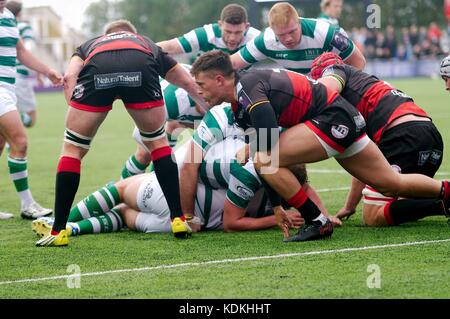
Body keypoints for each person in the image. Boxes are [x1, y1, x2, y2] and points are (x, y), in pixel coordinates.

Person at [190, 50, 450, 243]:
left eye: (201, 85)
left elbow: (266, 136)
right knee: (391, 183)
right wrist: (278, 207)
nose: (198, 92)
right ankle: (446, 192)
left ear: (220, 79)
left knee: (262, 157)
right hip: (345, 118)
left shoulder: (247, 86)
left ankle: (318, 221)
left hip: (331, 119)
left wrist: (251, 148)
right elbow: (265, 157)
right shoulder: (239, 107)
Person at [36, 20, 208, 247]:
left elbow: (69, 78)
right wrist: (210, 110)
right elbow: (185, 81)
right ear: (132, 34)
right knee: (158, 144)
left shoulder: (90, 44)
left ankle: (58, 231)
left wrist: (77, 106)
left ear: (105, 35)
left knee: (73, 150)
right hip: (141, 68)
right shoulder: (145, 43)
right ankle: (177, 218)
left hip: (99, 69)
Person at [32, 137, 305, 238]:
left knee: (121, 188)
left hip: (180, 208)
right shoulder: (283, 194)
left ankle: (58, 221)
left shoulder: (252, 167)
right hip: (194, 225)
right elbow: (302, 183)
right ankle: (73, 228)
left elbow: (231, 223)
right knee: (125, 216)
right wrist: (318, 215)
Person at [310, 52, 447, 227]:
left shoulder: (336, 72)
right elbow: (368, 164)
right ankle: (441, 199)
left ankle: (444, 203)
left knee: (372, 216)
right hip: (430, 135)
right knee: (404, 201)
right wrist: (350, 206)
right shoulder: (368, 84)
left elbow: (324, 90)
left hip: (402, 136)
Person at [0, 0, 62, 220]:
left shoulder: (7, 15)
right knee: (20, 142)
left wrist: (47, 71)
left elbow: (20, 51)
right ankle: (28, 205)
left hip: (8, 87)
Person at [120, 64, 207, 179]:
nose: (210, 101)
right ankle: (122, 188)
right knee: (144, 154)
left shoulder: (223, 101)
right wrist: (162, 156)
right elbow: (139, 135)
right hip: (152, 99)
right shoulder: (173, 102)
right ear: (197, 91)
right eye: (204, 93)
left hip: (181, 113)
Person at [230, 2, 365, 73]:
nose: (288, 38)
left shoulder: (326, 32)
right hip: (298, 88)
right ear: (272, 30)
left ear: (299, 22)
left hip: (331, 82)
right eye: (281, 35)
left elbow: (359, 62)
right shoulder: (265, 40)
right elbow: (233, 63)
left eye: (292, 31)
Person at [157, 4, 260, 57]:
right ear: (220, 25)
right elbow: (170, 47)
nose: (232, 38)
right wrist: (142, 50)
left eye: (238, 32)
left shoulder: (256, 38)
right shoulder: (205, 35)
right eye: (228, 32)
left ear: (246, 27)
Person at [6, 1, 41, 127]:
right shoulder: (23, 27)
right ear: (20, 13)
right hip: (19, 75)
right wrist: (40, 72)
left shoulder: (4, 25)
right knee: (31, 119)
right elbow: (28, 49)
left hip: (5, 74)